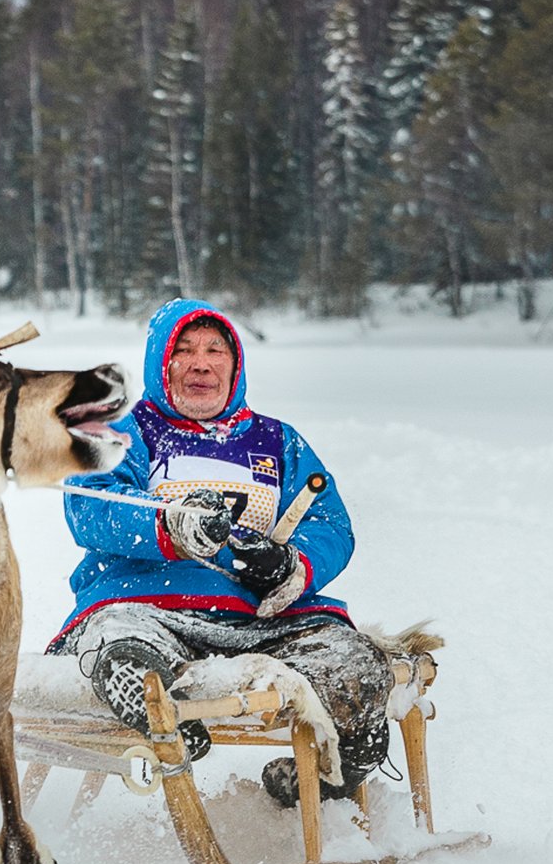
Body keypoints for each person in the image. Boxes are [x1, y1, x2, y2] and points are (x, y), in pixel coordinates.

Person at [49, 298, 391, 808]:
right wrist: (173, 524)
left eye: (215, 350)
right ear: (159, 363)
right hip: (143, 608)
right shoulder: (123, 432)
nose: (201, 364)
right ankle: (165, 723)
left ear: (236, 364)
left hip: (262, 618)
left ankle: (318, 779)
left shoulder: (279, 441)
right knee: (122, 644)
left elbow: (330, 524)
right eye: (184, 351)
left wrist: (292, 564)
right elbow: (94, 510)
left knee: (356, 666)